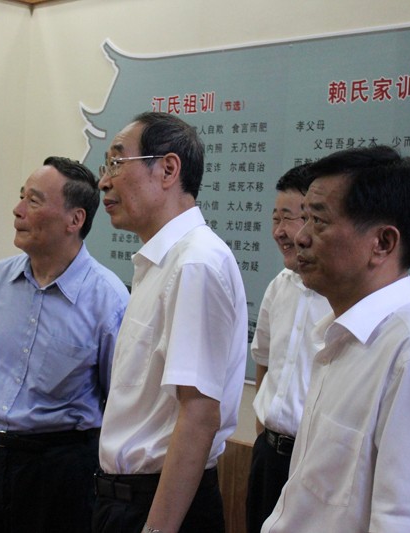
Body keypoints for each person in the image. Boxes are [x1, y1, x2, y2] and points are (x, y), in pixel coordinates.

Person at [248, 163, 410, 533]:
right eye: (303, 219)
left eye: (318, 221)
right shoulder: (341, 334)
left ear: (382, 243)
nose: (300, 237)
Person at [0, 156, 129, 533]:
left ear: (75, 220)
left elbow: (118, 399)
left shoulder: (109, 299)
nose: (18, 210)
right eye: (21, 196)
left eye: (34, 200)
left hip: (57, 474)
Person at [92, 111, 248, 533]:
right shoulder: (161, 262)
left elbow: (198, 414)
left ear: (167, 169)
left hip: (160, 506)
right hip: (123, 499)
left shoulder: (195, 263)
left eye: (116, 163)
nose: (104, 181)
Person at [245, 164, 331, 533]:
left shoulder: (343, 297)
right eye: (275, 218)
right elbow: (264, 362)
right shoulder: (278, 287)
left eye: (289, 218)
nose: (280, 231)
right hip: (269, 455)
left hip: (316, 464)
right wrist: (262, 432)